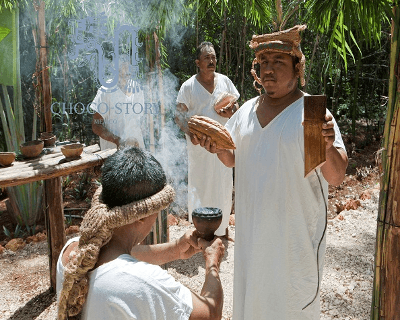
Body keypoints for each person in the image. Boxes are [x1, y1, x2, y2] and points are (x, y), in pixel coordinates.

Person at [195, 25, 348, 319]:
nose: (268, 69)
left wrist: (328, 146)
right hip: (253, 239)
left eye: (278, 62)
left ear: (297, 66)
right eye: (263, 63)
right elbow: (231, 158)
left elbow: (335, 175)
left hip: (294, 243)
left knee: (291, 305)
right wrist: (213, 145)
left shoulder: (311, 114)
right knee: (254, 302)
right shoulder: (246, 112)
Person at [56, 147, 225, 320]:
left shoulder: (73, 252)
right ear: (141, 217)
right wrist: (213, 261)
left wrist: (175, 249)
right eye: (158, 210)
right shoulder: (143, 281)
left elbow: (117, 257)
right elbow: (211, 314)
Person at [175, 41, 239, 238]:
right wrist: (191, 133)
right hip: (199, 149)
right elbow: (179, 116)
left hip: (223, 147)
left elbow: (237, 109)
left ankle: (222, 230)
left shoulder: (225, 82)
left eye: (213, 57)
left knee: (223, 185)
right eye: (206, 58)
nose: (211, 61)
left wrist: (231, 112)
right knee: (201, 186)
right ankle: (201, 232)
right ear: (198, 62)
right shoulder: (189, 86)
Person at [90, 55, 145, 150]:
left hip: (136, 150)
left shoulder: (137, 88)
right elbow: (96, 125)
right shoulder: (106, 91)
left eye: (128, 69)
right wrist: (117, 141)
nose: (126, 73)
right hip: (113, 151)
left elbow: (141, 120)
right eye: (122, 69)